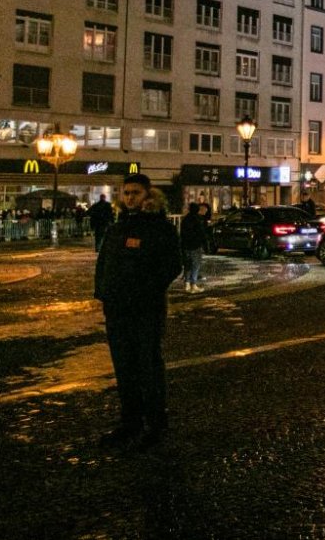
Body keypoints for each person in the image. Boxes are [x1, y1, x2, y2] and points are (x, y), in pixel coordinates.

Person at [93, 173, 182, 450]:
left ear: (148, 195)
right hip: (117, 310)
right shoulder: (116, 227)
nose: (130, 197)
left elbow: (172, 265)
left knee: (148, 366)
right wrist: (103, 293)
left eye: (136, 193)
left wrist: (146, 291)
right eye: (126, 193)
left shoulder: (159, 228)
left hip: (146, 310)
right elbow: (104, 263)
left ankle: (155, 423)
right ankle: (130, 421)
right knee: (124, 368)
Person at [179, 202, 209, 293]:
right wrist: (205, 245)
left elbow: (182, 234)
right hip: (195, 245)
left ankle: (187, 284)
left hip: (186, 245)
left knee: (187, 265)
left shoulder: (185, 219)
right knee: (195, 265)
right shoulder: (197, 220)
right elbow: (201, 233)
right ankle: (193, 285)